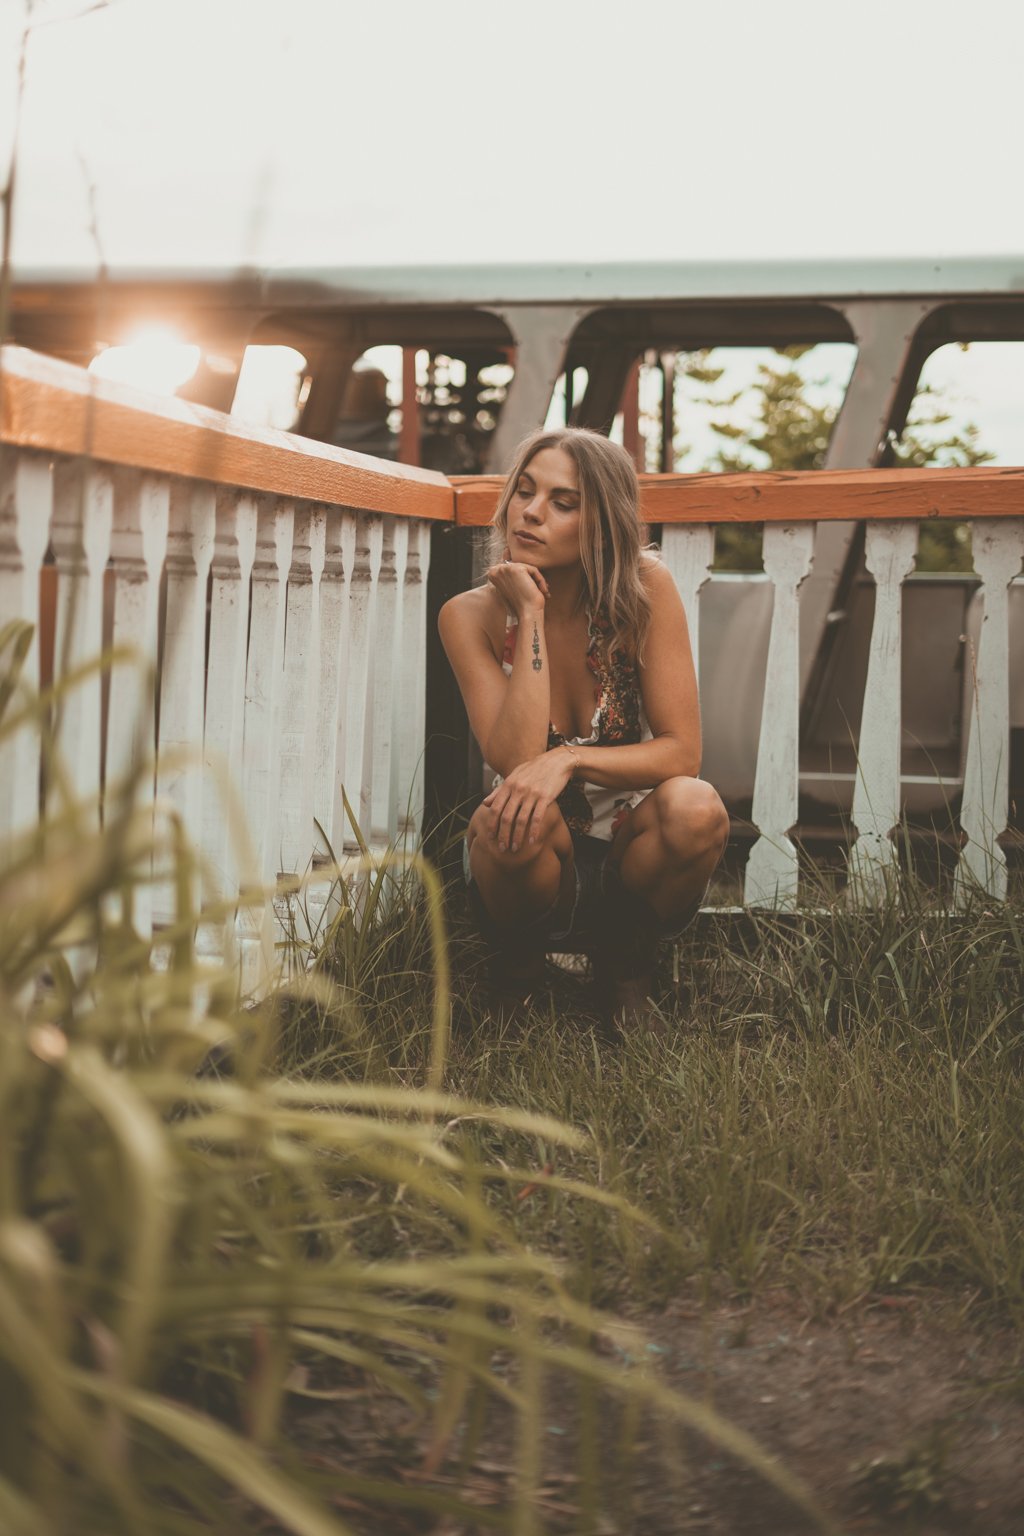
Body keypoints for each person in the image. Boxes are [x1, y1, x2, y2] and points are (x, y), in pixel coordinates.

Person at [438, 427, 729, 1033]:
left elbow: (683, 752)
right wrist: (531, 614)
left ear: (603, 522)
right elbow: (516, 759)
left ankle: (626, 977)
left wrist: (568, 759)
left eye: (563, 503)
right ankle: (516, 976)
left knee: (696, 807)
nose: (532, 513)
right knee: (509, 817)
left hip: (629, 837)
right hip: (531, 844)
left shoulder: (646, 591)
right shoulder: (468, 617)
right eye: (524, 492)